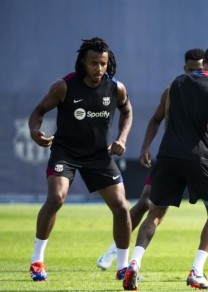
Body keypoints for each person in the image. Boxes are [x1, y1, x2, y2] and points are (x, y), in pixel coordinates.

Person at [96, 48, 208, 272]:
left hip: (174, 155)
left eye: (199, 68)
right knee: (160, 204)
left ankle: (134, 263)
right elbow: (204, 125)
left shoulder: (180, 84)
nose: (195, 72)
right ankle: (189, 269)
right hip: (200, 156)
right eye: (191, 69)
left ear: (205, 64)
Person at [27, 37, 133, 281]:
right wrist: (34, 132)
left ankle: (123, 266)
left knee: (121, 206)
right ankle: (36, 261)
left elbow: (127, 112)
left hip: (99, 156)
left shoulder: (116, 88)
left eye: (103, 63)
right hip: (66, 152)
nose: (99, 69)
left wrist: (122, 138)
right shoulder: (63, 87)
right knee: (56, 198)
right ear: (83, 62)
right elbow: (38, 112)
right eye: (93, 63)